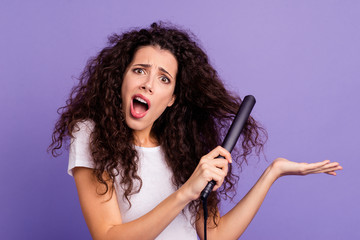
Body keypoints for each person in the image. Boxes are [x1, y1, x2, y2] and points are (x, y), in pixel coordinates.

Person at [49, 22, 342, 240]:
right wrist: (185, 192)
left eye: (164, 79)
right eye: (139, 70)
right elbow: (108, 236)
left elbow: (215, 235)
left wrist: (273, 173)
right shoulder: (92, 136)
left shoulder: (183, 150)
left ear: (173, 98)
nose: (148, 84)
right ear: (121, 79)